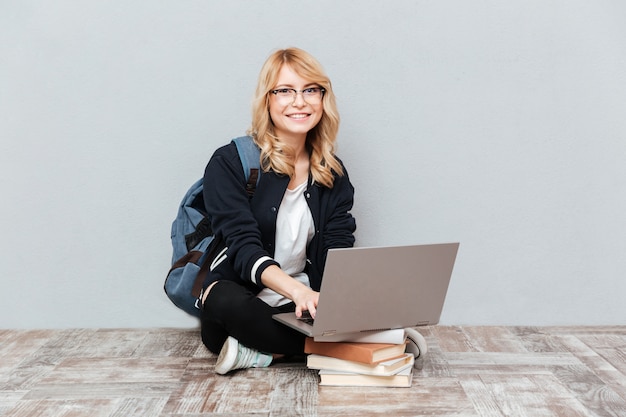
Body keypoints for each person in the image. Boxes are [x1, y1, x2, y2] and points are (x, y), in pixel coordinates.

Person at [199, 47, 426, 374]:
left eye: (310, 90)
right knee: (222, 301)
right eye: (285, 91)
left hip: (306, 305)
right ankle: (366, 349)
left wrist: (335, 301)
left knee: (368, 297)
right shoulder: (230, 162)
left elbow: (338, 246)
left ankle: (264, 353)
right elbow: (243, 248)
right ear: (267, 100)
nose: (300, 101)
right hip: (247, 301)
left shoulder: (331, 173)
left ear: (323, 98)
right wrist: (299, 291)